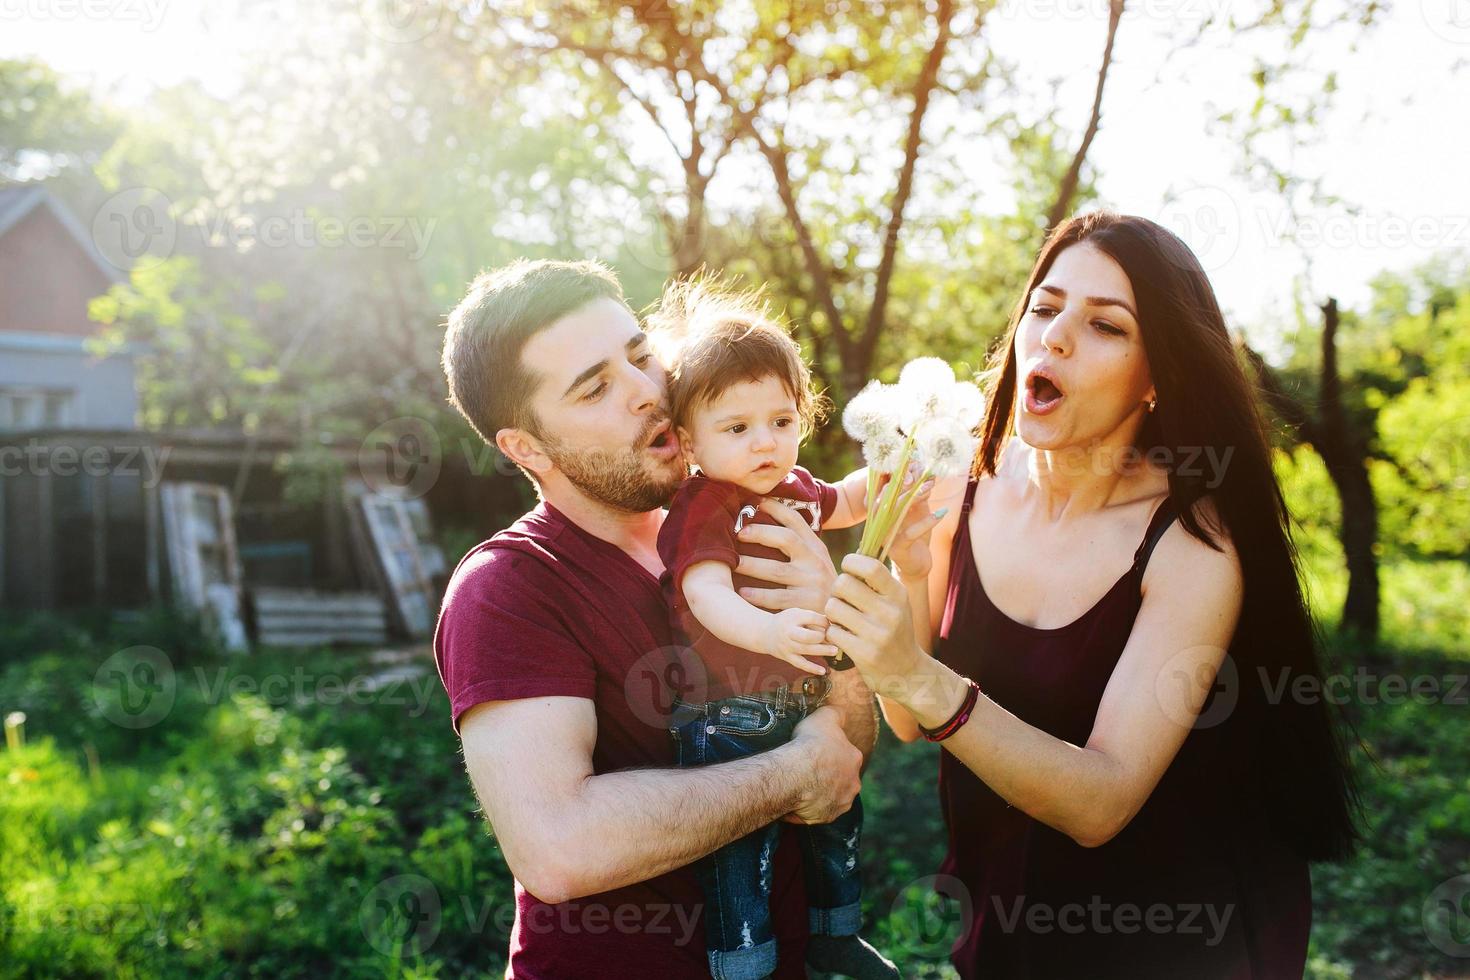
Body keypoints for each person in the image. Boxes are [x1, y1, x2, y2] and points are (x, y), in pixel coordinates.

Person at [822, 212, 1360, 977]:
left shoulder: (1193, 541)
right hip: (1011, 916)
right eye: (1044, 308)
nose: (1055, 337)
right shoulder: (957, 486)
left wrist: (913, 671)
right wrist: (907, 582)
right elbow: (911, 721)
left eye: (1106, 325)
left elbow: (1100, 803)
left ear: (1158, 376)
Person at [433, 258, 877, 979]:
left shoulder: (740, 522)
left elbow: (848, 748)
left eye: (640, 355)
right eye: (596, 387)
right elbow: (559, 848)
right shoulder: (508, 589)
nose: (646, 391)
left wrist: (836, 656)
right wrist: (795, 771)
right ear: (526, 447)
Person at [647, 281, 899, 979]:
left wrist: (910, 474)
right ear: (689, 442)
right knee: (738, 850)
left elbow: (847, 500)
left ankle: (835, 931)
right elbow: (705, 594)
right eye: (737, 429)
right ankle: (743, 964)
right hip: (726, 709)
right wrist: (771, 632)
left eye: (781, 421)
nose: (765, 443)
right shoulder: (707, 504)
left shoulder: (792, 488)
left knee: (835, 819)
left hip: (796, 703)